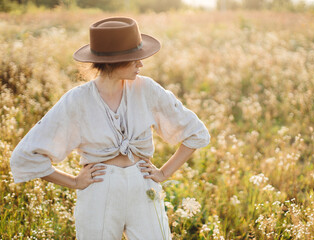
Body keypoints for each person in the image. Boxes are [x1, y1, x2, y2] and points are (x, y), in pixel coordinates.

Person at [9, 17, 210, 240]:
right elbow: (26, 156)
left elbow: (195, 132)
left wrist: (164, 173)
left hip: (143, 186)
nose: (140, 64)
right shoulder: (77, 100)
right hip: (99, 190)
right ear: (114, 61)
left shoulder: (147, 89)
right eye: (134, 59)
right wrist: (74, 182)